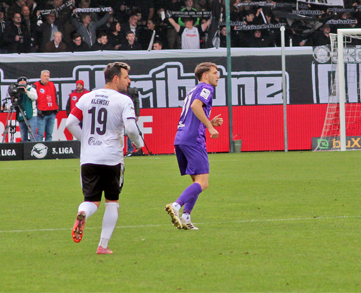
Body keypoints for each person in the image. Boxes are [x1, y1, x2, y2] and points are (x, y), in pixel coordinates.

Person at [66, 62, 146, 255]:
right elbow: (131, 128)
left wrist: (86, 140)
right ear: (116, 78)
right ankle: (102, 245)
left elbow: (70, 123)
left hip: (89, 158)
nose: (129, 81)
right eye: (126, 77)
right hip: (112, 158)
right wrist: (139, 143)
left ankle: (83, 213)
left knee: (91, 201)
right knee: (112, 201)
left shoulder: (86, 97)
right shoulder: (123, 100)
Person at [164, 62, 224, 231]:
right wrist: (210, 127)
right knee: (203, 183)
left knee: (196, 182)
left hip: (181, 138)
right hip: (193, 140)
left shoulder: (193, 90)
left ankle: (186, 217)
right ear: (205, 75)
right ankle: (176, 205)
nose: (218, 75)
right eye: (215, 72)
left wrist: (208, 122)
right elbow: (195, 106)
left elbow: (192, 114)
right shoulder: (207, 88)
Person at [33, 70, 59, 142]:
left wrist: (57, 108)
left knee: (49, 134)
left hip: (51, 113)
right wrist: (37, 111)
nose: (46, 78)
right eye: (45, 76)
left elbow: (55, 97)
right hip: (42, 114)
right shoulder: (36, 85)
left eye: (48, 76)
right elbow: (33, 99)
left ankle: (49, 148)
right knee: (40, 134)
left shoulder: (52, 84)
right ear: (41, 76)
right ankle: (39, 147)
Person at [13, 76, 38, 143]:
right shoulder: (17, 91)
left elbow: (35, 97)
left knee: (32, 135)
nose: (22, 84)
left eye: (24, 83)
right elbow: (15, 103)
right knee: (23, 136)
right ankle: (24, 148)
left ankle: (33, 147)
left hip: (31, 115)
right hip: (21, 115)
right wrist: (6, 108)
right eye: (21, 83)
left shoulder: (31, 89)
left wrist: (26, 92)